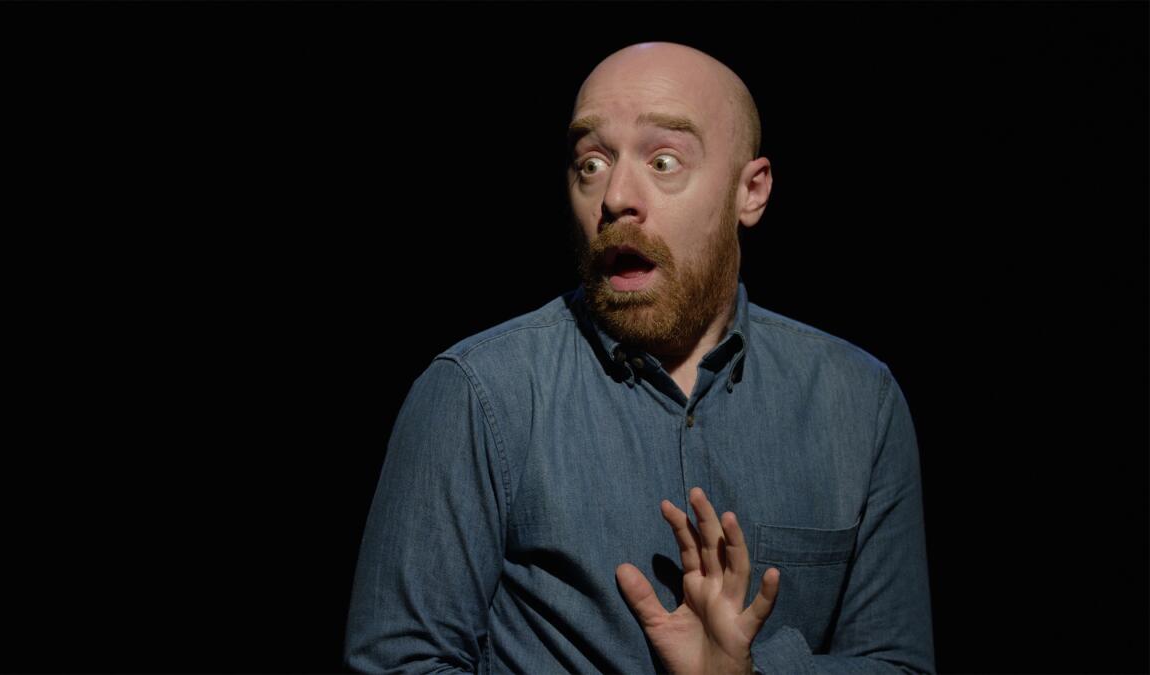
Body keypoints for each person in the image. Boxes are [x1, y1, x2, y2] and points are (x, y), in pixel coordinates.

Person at [344, 41, 934, 674]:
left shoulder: (859, 402)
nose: (617, 195)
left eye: (663, 160)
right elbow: (399, 664)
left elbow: (895, 665)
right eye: (591, 163)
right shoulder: (477, 393)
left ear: (751, 191)